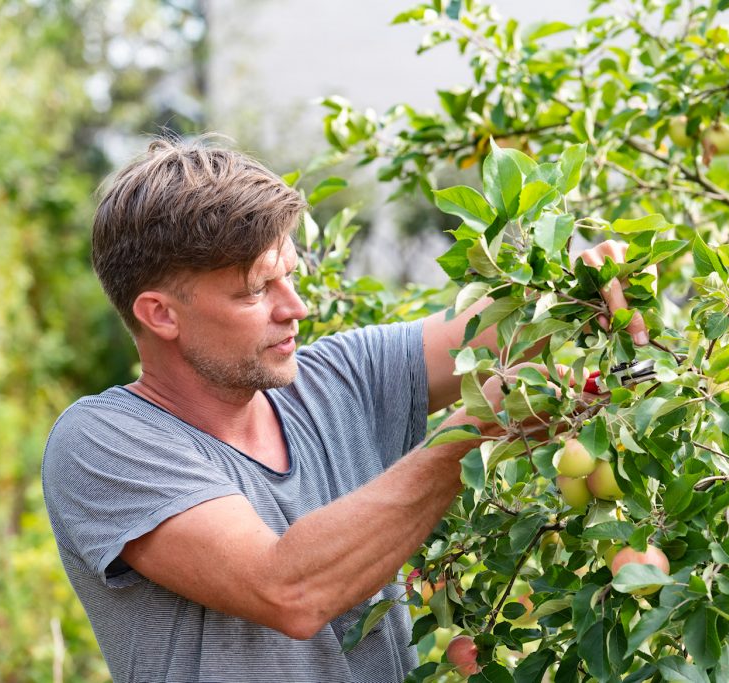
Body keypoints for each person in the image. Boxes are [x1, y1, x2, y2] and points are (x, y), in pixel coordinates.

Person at [42, 137, 649, 682]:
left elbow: (501, 329)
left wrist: (578, 280)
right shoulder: (103, 442)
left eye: (292, 275)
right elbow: (289, 590)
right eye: (258, 290)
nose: (296, 307)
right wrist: (475, 429)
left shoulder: (336, 379)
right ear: (161, 314)